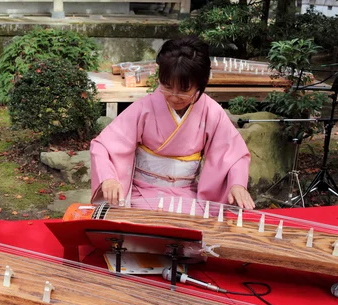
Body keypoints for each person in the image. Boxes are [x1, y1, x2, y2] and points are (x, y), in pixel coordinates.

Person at [90, 36, 256, 210]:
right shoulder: (144, 108)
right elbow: (104, 146)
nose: (174, 96)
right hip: (143, 194)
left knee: (195, 233)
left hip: (188, 197)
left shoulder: (211, 111)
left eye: (184, 90)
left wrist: (237, 184)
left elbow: (233, 154)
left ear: (200, 85)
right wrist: (109, 179)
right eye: (167, 86)